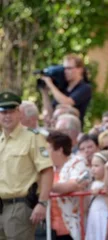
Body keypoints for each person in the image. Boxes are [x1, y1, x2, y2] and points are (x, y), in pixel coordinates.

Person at [0, 91, 53, 239]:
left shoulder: (32, 138)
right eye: (3, 112)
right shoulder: (1, 140)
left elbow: (47, 171)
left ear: (19, 113)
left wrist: (42, 203)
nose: (7, 116)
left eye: (11, 111)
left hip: (20, 206)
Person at [46, 130, 91, 240]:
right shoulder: (49, 167)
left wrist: (44, 185)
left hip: (73, 226)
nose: (45, 152)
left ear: (59, 150)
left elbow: (73, 185)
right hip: (50, 228)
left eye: (48, 148)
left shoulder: (78, 162)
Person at [40, 54, 92, 127]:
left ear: (80, 69)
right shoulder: (62, 87)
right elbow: (50, 113)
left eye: (69, 68)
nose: (65, 71)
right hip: (56, 128)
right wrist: (44, 92)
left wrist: (50, 84)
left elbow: (67, 102)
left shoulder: (85, 88)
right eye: (64, 68)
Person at [86, 150, 108, 240]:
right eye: (92, 165)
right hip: (93, 218)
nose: (93, 169)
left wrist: (102, 193)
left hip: (104, 217)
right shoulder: (92, 184)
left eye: (96, 166)